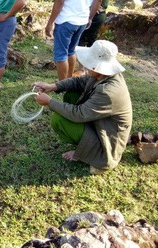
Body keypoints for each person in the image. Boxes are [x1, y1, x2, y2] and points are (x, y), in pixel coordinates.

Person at [33, 40, 133, 174]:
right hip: (99, 124)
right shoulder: (102, 75)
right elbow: (79, 81)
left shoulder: (108, 91)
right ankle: (85, 147)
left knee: (59, 120)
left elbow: (79, 114)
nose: (85, 65)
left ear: (98, 66)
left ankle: (99, 158)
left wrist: (50, 102)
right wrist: (53, 86)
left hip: (107, 140)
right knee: (72, 94)